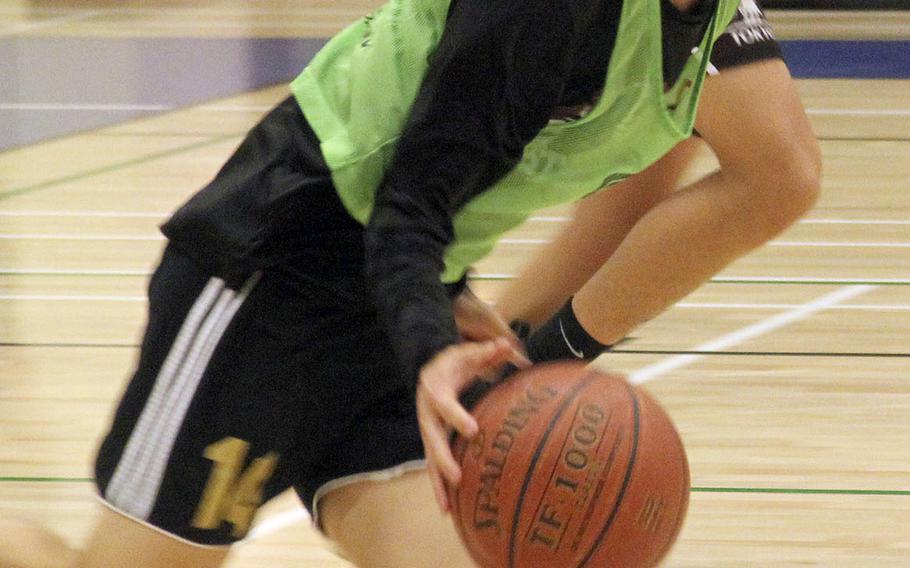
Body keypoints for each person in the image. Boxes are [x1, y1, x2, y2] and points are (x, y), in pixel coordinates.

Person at [0, 0, 819, 566]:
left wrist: (532, 352)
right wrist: (431, 344)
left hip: (404, 303)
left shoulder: (704, 24)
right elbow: (407, 206)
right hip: (274, 277)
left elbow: (679, 173)